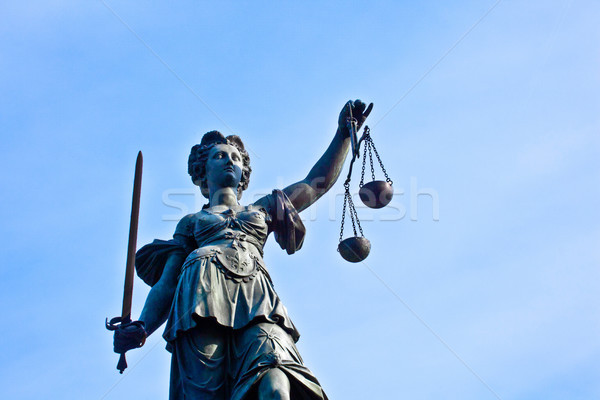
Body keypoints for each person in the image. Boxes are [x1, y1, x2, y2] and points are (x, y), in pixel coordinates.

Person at [114, 100, 372, 399]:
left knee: (278, 379)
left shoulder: (262, 209)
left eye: (236, 157)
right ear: (202, 171)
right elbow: (168, 282)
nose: (229, 161)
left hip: (258, 302)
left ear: (243, 172)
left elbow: (316, 184)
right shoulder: (192, 222)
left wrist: (342, 135)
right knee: (205, 393)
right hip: (200, 301)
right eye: (220, 156)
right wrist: (143, 327)